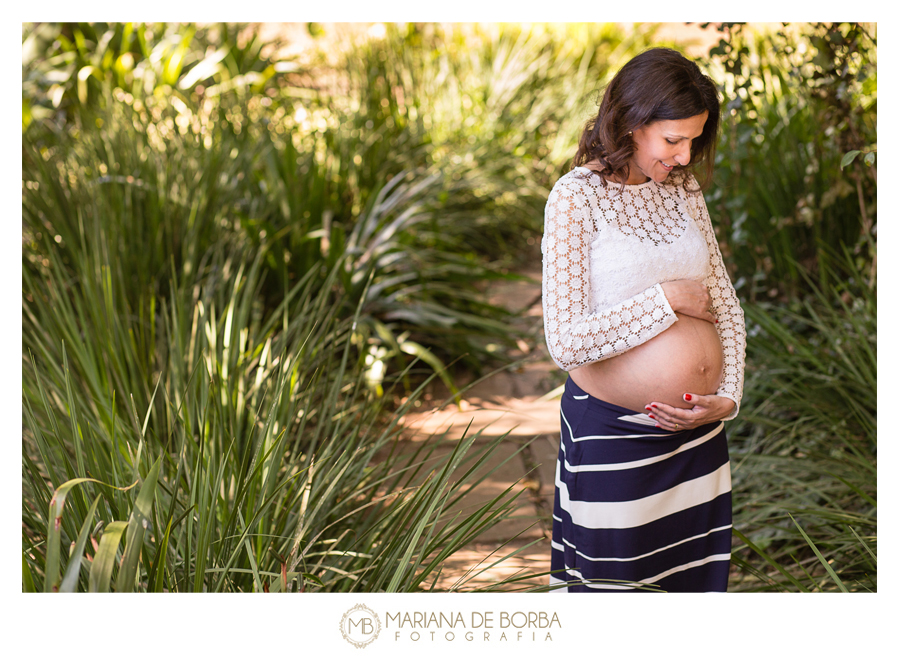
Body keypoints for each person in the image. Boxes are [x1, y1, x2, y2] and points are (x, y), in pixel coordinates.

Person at [541, 47, 746, 592]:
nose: (684, 156)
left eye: (694, 141)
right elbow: (566, 342)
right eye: (672, 140)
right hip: (616, 437)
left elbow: (723, 299)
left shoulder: (684, 190)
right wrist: (666, 299)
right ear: (631, 124)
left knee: (690, 593)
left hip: (698, 437)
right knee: (616, 601)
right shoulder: (575, 199)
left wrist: (728, 394)